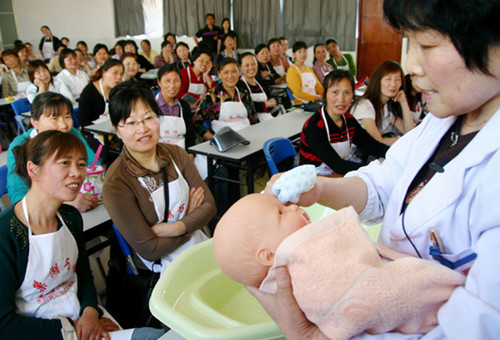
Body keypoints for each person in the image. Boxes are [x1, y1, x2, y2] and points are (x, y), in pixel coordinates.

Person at [249, 0, 500, 338]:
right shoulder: (447, 119)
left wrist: (309, 335)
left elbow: (475, 326)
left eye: (426, 44)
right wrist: (320, 189)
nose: (410, 65)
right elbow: (384, 182)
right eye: (410, 43)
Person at [215, 193, 465, 339]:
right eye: (281, 213)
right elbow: (357, 294)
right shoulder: (305, 270)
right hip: (441, 309)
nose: (293, 206)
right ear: (269, 256)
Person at [103, 83, 216, 328]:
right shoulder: (117, 182)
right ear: (117, 130)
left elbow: (209, 206)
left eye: (149, 118)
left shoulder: (176, 154)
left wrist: (176, 227)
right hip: (161, 270)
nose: (143, 129)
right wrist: (190, 219)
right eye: (131, 123)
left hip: (198, 247)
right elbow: (150, 249)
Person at [7, 92, 97, 211]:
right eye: (54, 118)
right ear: (35, 122)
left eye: (67, 117)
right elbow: (18, 193)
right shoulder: (20, 145)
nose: (63, 125)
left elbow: (92, 163)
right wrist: (63, 202)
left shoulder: (72, 134)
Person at [300, 70, 388, 176]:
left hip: (337, 173)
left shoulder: (348, 120)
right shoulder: (314, 126)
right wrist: (377, 170)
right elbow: (337, 165)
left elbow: (371, 145)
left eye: (347, 93)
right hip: (313, 179)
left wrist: (397, 154)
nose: (341, 99)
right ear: (325, 94)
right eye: (335, 92)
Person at [351, 60, 415, 146]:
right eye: (388, 79)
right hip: (357, 157)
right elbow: (377, 141)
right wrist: (406, 140)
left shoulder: (385, 107)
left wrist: (403, 102)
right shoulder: (365, 105)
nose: (393, 84)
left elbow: (409, 132)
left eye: (397, 79)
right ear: (378, 81)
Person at [194, 57, 259, 140]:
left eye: (234, 71)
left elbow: (254, 119)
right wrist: (214, 140)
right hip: (224, 141)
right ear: (219, 74)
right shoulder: (212, 96)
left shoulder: (244, 94)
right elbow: (196, 122)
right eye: (226, 72)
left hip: (248, 138)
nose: (230, 76)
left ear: (239, 72)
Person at [155, 64, 196, 148]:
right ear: (159, 82)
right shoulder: (150, 105)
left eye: (176, 81)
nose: (172, 85)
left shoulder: (184, 106)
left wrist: (190, 155)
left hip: (182, 153)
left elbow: (190, 136)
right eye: (167, 81)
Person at [78, 58, 123, 128]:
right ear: (104, 72)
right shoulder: (89, 91)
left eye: (121, 74)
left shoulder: (118, 90)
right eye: (115, 73)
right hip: (93, 130)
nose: (119, 77)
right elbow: (83, 122)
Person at [238, 52, 278, 122]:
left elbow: (272, 101)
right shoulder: (239, 85)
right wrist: (265, 104)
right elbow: (246, 107)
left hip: (268, 119)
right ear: (240, 68)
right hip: (252, 123)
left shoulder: (261, 82)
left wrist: (270, 103)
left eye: (253, 64)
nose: (251, 68)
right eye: (247, 65)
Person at [286, 41, 323, 105]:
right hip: (302, 104)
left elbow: (319, 87)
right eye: (299, 52)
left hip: (314, 101)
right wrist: (317, 97)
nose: (303, 54)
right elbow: (298, 93)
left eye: (305, 51)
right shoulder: (292, 70)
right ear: (294, 54)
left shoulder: (309, 69)